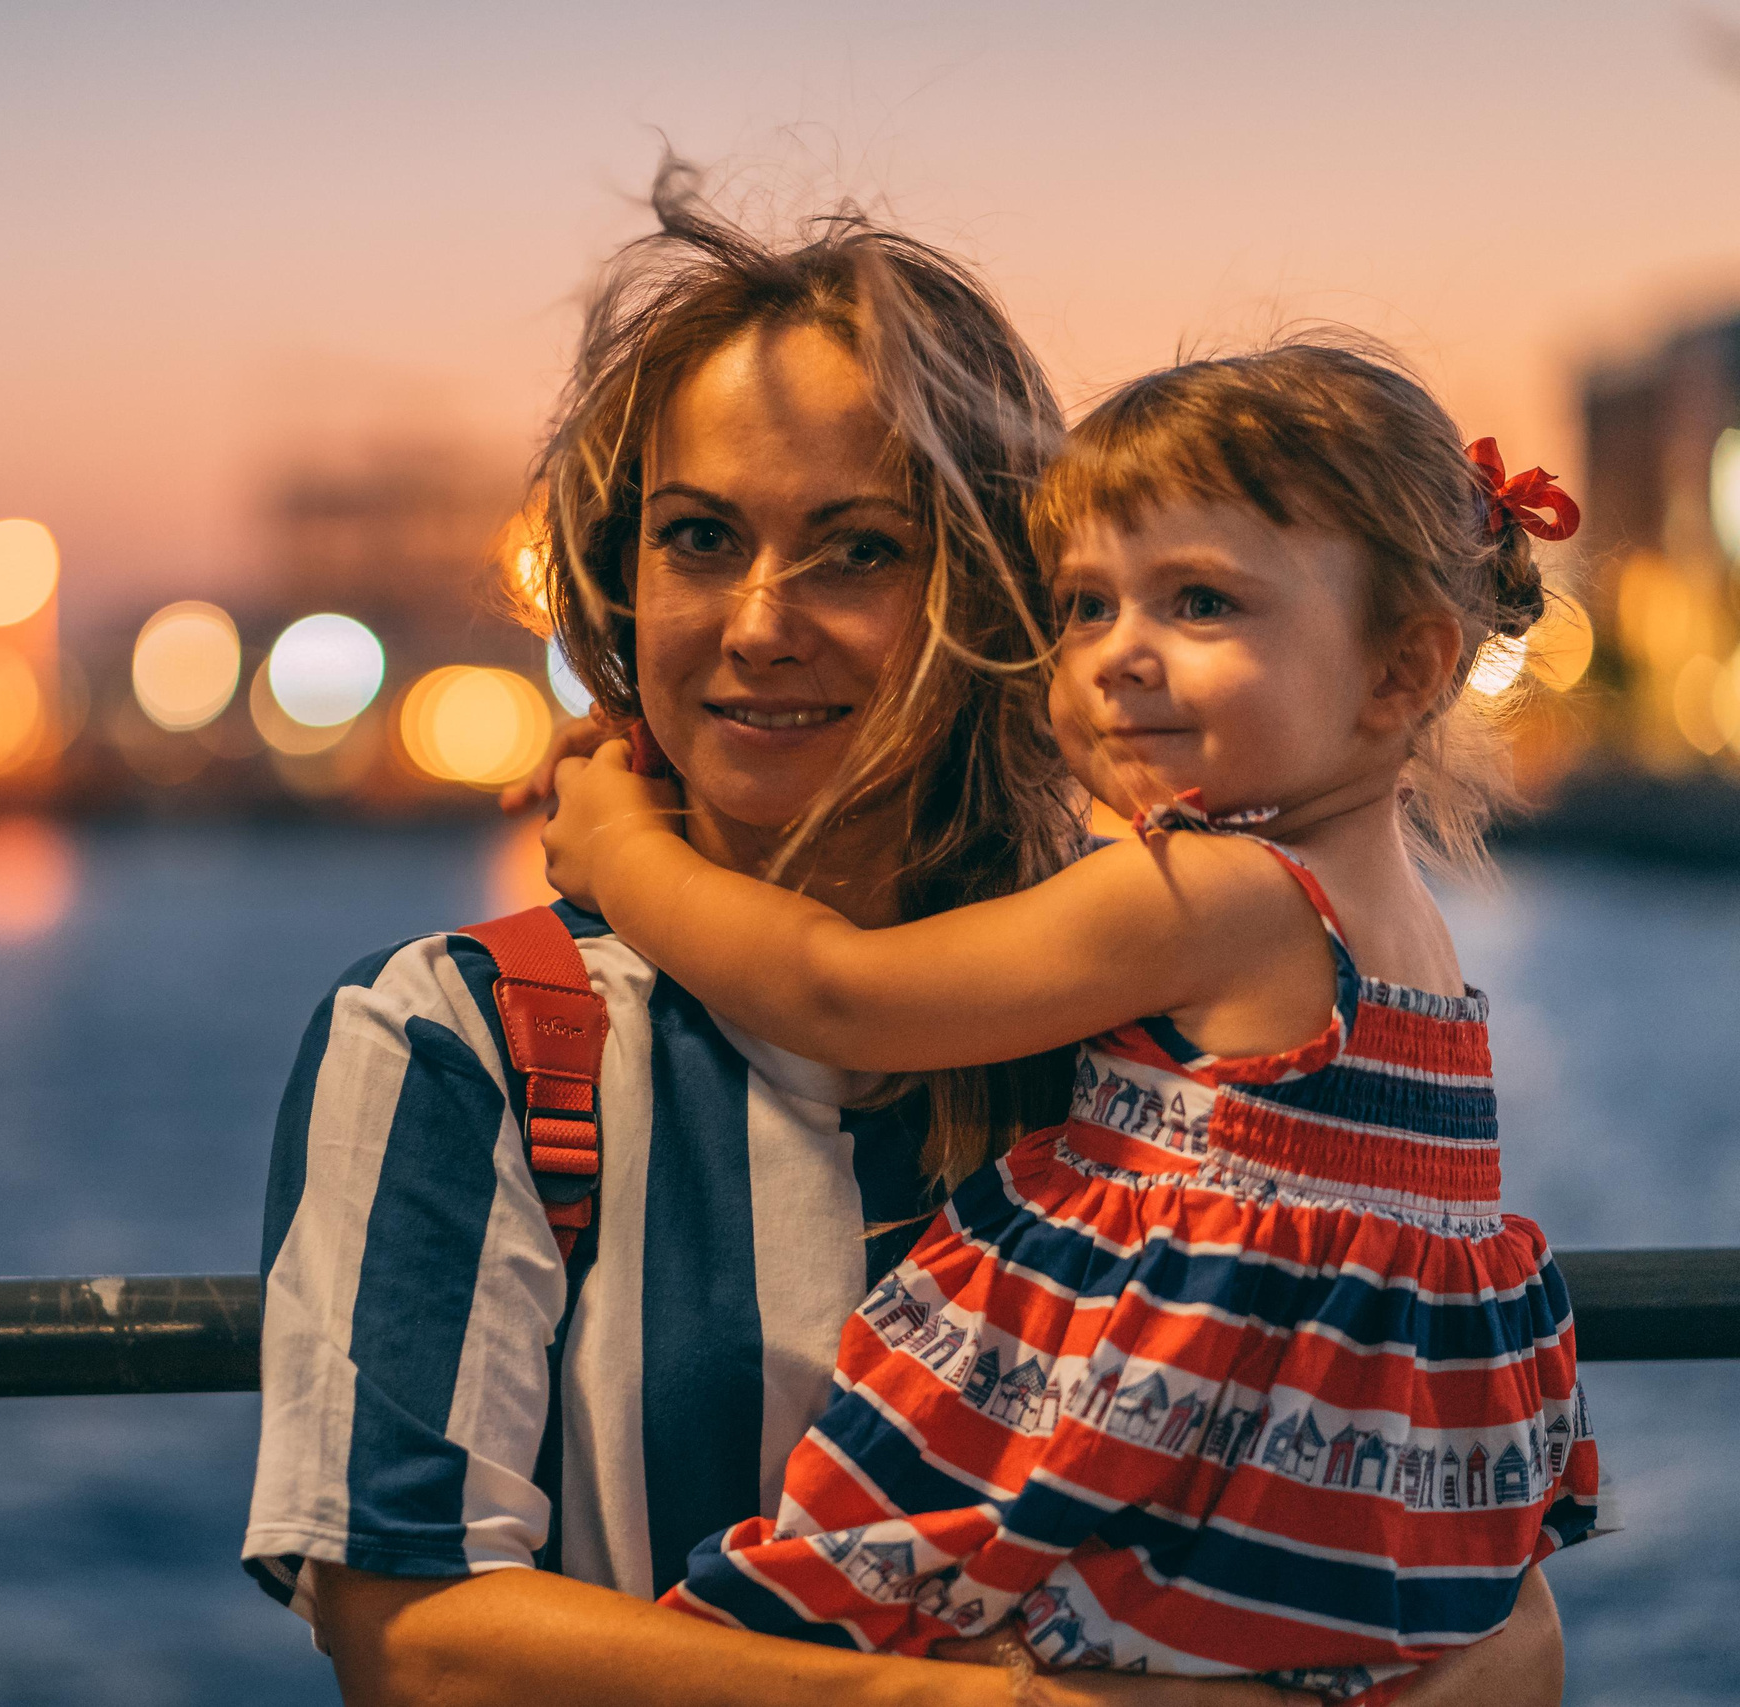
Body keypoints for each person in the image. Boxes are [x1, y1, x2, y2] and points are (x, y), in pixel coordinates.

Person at [245, 163, 1564, 1707]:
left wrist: (617, 845)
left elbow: (1495, 1630)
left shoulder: (1154, 1028)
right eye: (696, 539)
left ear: (986, 585)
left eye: (860, 548)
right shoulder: (463, 1036)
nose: (759, 621)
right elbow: (411, 1642)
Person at [539, 340, 1606, 1702]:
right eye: (1084, 606)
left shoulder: (1210, 895)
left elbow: (841, 993)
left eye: (1200, 603)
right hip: (1348, 1524)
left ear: (1398, 675)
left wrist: (623, 853)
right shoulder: (1412, 940)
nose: (1118, 659)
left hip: (1173, 1501)